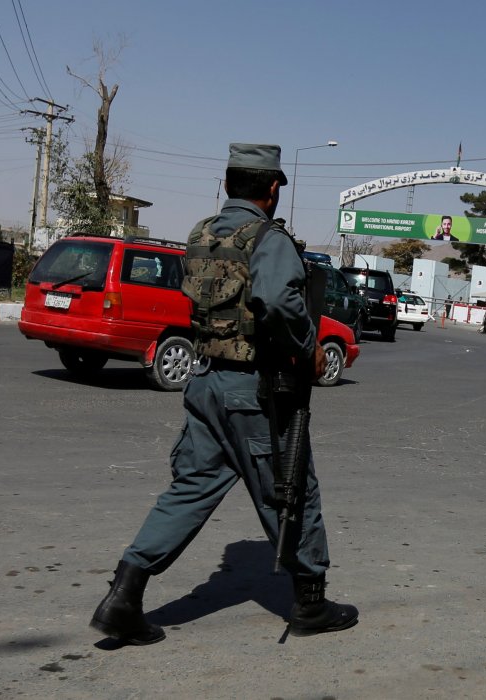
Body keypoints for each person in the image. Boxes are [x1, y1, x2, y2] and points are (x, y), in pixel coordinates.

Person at [89, 143, 358, 645]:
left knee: (191, 489)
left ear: (228, 183)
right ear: (273, 188)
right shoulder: (267, 238)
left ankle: (123, 593)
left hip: (206, 380)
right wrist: (309, 348)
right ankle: (311, 603)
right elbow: (278, 300)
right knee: (292, 490)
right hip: (253, 391)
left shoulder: (202, 234)